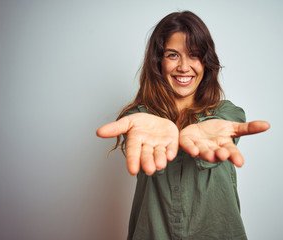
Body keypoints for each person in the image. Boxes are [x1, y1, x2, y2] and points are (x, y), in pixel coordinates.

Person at [97, 11, 270, 240]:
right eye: (173, 55)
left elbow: (224, 125)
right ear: (158, 61)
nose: (184, 66)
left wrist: (205, 129)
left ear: (206, 62)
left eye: (194, 55)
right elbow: (136, 131)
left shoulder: (227, 113)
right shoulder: (139, 118)